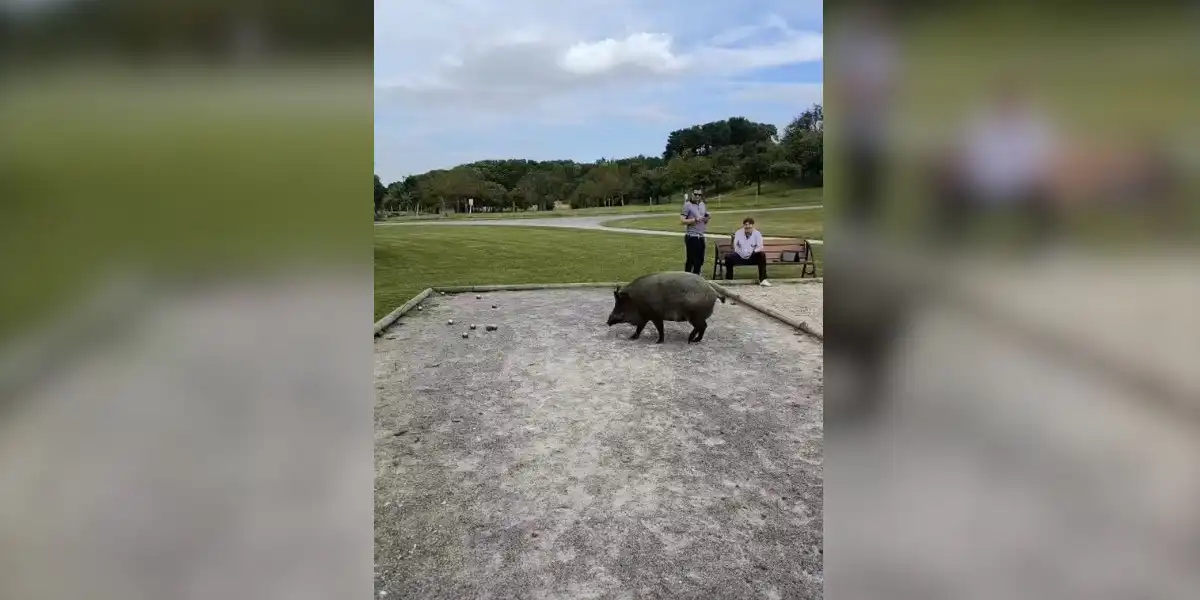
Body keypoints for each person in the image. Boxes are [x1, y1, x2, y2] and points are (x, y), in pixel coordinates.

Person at [725, 217, 771, 286]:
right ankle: (729, 280)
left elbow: (760, 246)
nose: (747, 227)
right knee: (728, 257)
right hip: (740, 256)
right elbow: (735, 248)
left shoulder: (757, 234)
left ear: (752, 225)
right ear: (744, 226)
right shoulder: (738, 233)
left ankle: (763, 279)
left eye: (749, 225)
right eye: (746, 225)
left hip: (752, 256)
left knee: (762, 255)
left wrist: (753, 252)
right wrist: (733, 241)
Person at [680, 189, 710, 275]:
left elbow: (704, 221)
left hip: (701, 236)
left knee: (700, 260)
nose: (697, 196)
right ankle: (687, 278)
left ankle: (697, 278)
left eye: (699, 195)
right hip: (692, 236)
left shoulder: (702, 205)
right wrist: (694, 220)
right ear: (692, 194)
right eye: (695, 194)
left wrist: (707, 218)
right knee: (691, 260)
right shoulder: (687, 205)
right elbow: (682, 220)